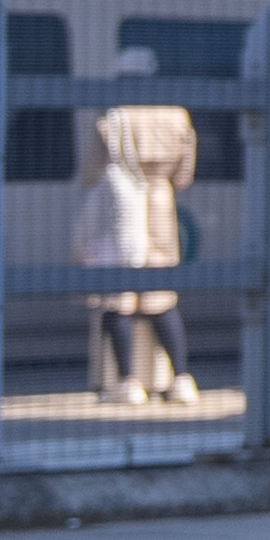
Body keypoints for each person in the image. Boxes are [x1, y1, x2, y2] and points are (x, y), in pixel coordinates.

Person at [79, 45, 198, 407]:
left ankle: (128, 382)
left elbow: (91, 173)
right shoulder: (178, 117)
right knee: (161, 298)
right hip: (162, 206)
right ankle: (181, 380)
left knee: (119, 299)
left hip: (122, 208)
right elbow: (184, 175)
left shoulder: (113, 118)